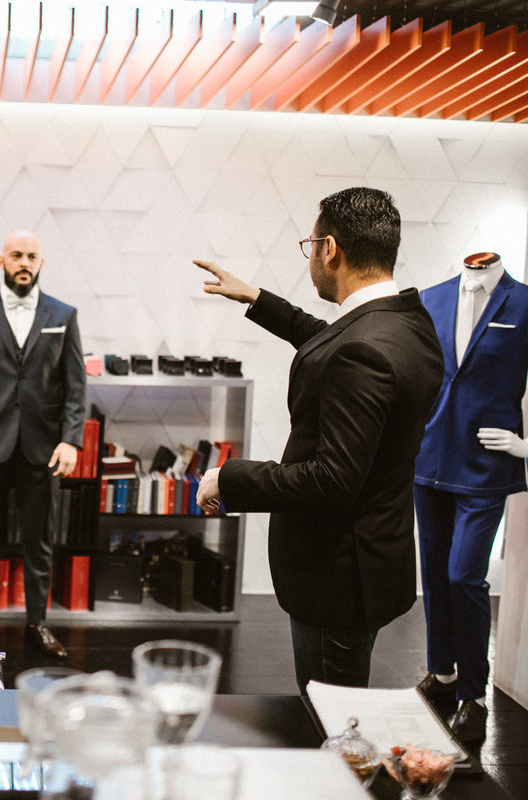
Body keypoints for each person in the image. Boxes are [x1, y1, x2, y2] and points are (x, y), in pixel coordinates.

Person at [194, 187, 444, 692]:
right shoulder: (407, 322)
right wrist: (259, 299)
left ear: (330, 249)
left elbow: (332, 480)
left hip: (338, 577)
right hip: (374, 558)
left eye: (310, 245)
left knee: (332, 720)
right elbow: (335, 340)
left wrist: (228, 476)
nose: (311, 257)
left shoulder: (362, 351)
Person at [413, 251, 528, 744]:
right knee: (434, 574)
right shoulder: (431, 299)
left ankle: (474, 694)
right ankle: (441, 675)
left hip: (485, 465)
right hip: (428, 460)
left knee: (464, 575)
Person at [0, 230, 85, 658]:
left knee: (38, 540)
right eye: (16, 255)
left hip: (42, 448)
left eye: (32, 256)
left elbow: (75, 386)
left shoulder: (64, 314)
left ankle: (38, 625)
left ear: (41, 263)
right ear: (1, 260)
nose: (24, 262)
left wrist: (71, 440)